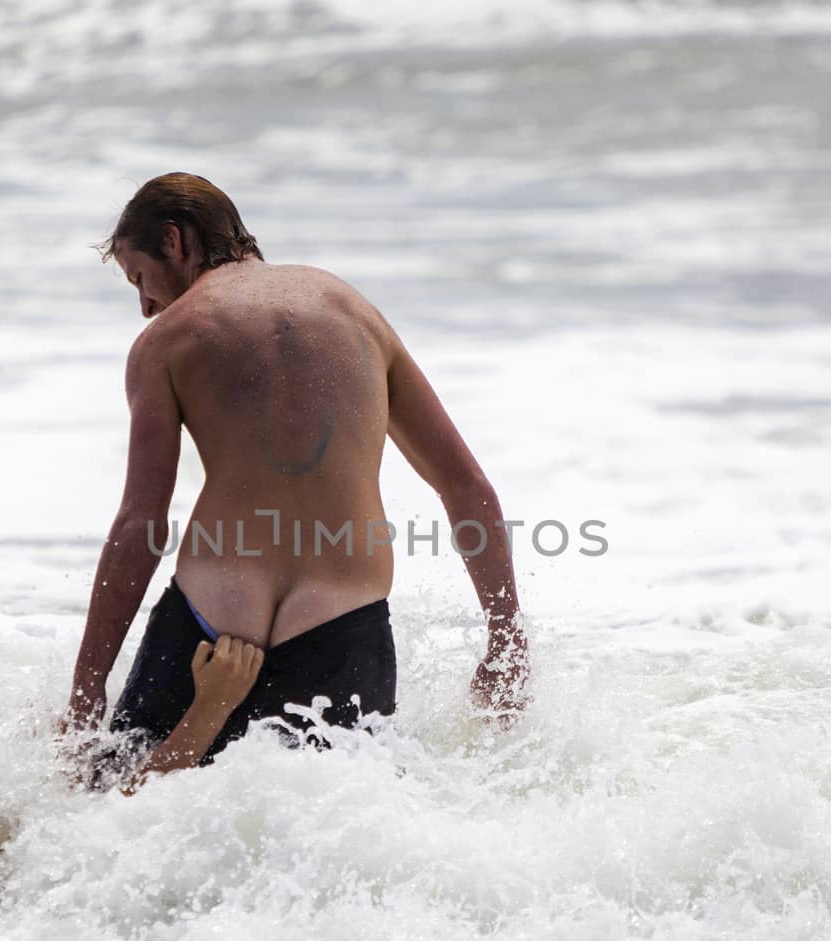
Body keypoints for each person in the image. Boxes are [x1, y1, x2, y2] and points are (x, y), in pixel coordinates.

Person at [62, 173, 526, 785]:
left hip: (208, 617)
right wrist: (506, 638)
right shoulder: (354, 313)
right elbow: (466, 487)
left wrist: (86, 693)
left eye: (138, 278)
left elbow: (142, 521)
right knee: (325, 848)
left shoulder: (165, 343)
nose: (145, 305)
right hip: (342, 624)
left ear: (174, 240)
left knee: (110, 815)